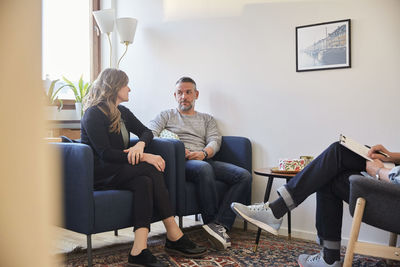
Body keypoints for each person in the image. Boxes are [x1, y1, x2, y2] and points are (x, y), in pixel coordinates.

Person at [81, 69, 206, 267]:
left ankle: (138, 250)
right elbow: (105, 153)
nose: (129, 88)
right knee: (150, 169)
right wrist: (146, 156)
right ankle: (173, 234)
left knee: (144, 181)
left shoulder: (123, 113)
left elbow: (146, 132)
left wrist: (140, 145)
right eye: (126, 85)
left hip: (119, 169)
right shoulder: (93, 114)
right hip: (101, 173)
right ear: (114, 87)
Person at [231, 141, 400, 267]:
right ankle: (329, 257)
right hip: (393, 190)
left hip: (393, 201)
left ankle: (277, 211)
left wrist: (379, 171)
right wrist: (391, 156)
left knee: (337, 153)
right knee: (331, 168)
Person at [149, 77, 252, 250]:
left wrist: (204, 153)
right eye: (180, 93)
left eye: (188, 92)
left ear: (196, 94)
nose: (184, 96)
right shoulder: (166, 115)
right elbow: (150, 133)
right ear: (175, 95)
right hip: (180, 163)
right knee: (204, 168)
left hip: (204, 158)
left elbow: (215, 140)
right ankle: (211, 221)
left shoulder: (207, 119)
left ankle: (219, 225)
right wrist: (177, 150)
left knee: (244, 176)